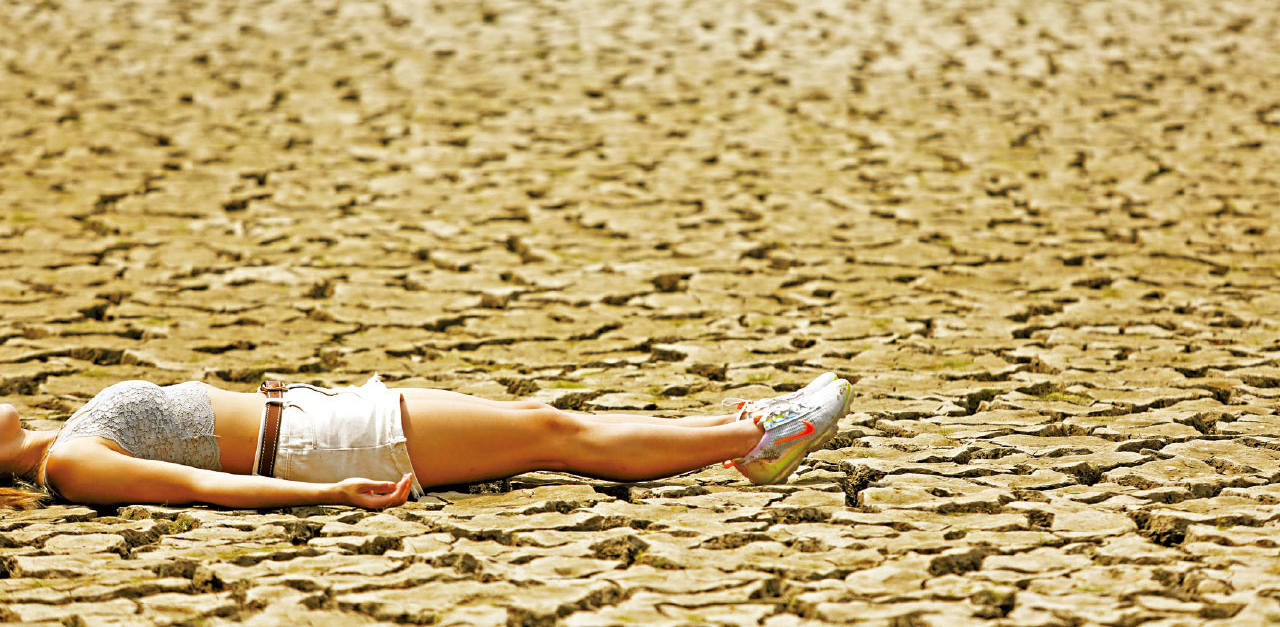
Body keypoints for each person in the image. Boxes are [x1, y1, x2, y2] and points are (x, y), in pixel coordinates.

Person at [0, 372, 853, 510]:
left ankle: (739, 430)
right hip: (320, 452)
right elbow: (200, 490)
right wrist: (330, 496)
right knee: (552, 434)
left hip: (317, 419)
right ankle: (755, 436)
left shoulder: (68, 429)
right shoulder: (72, 462)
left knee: (536, 423)